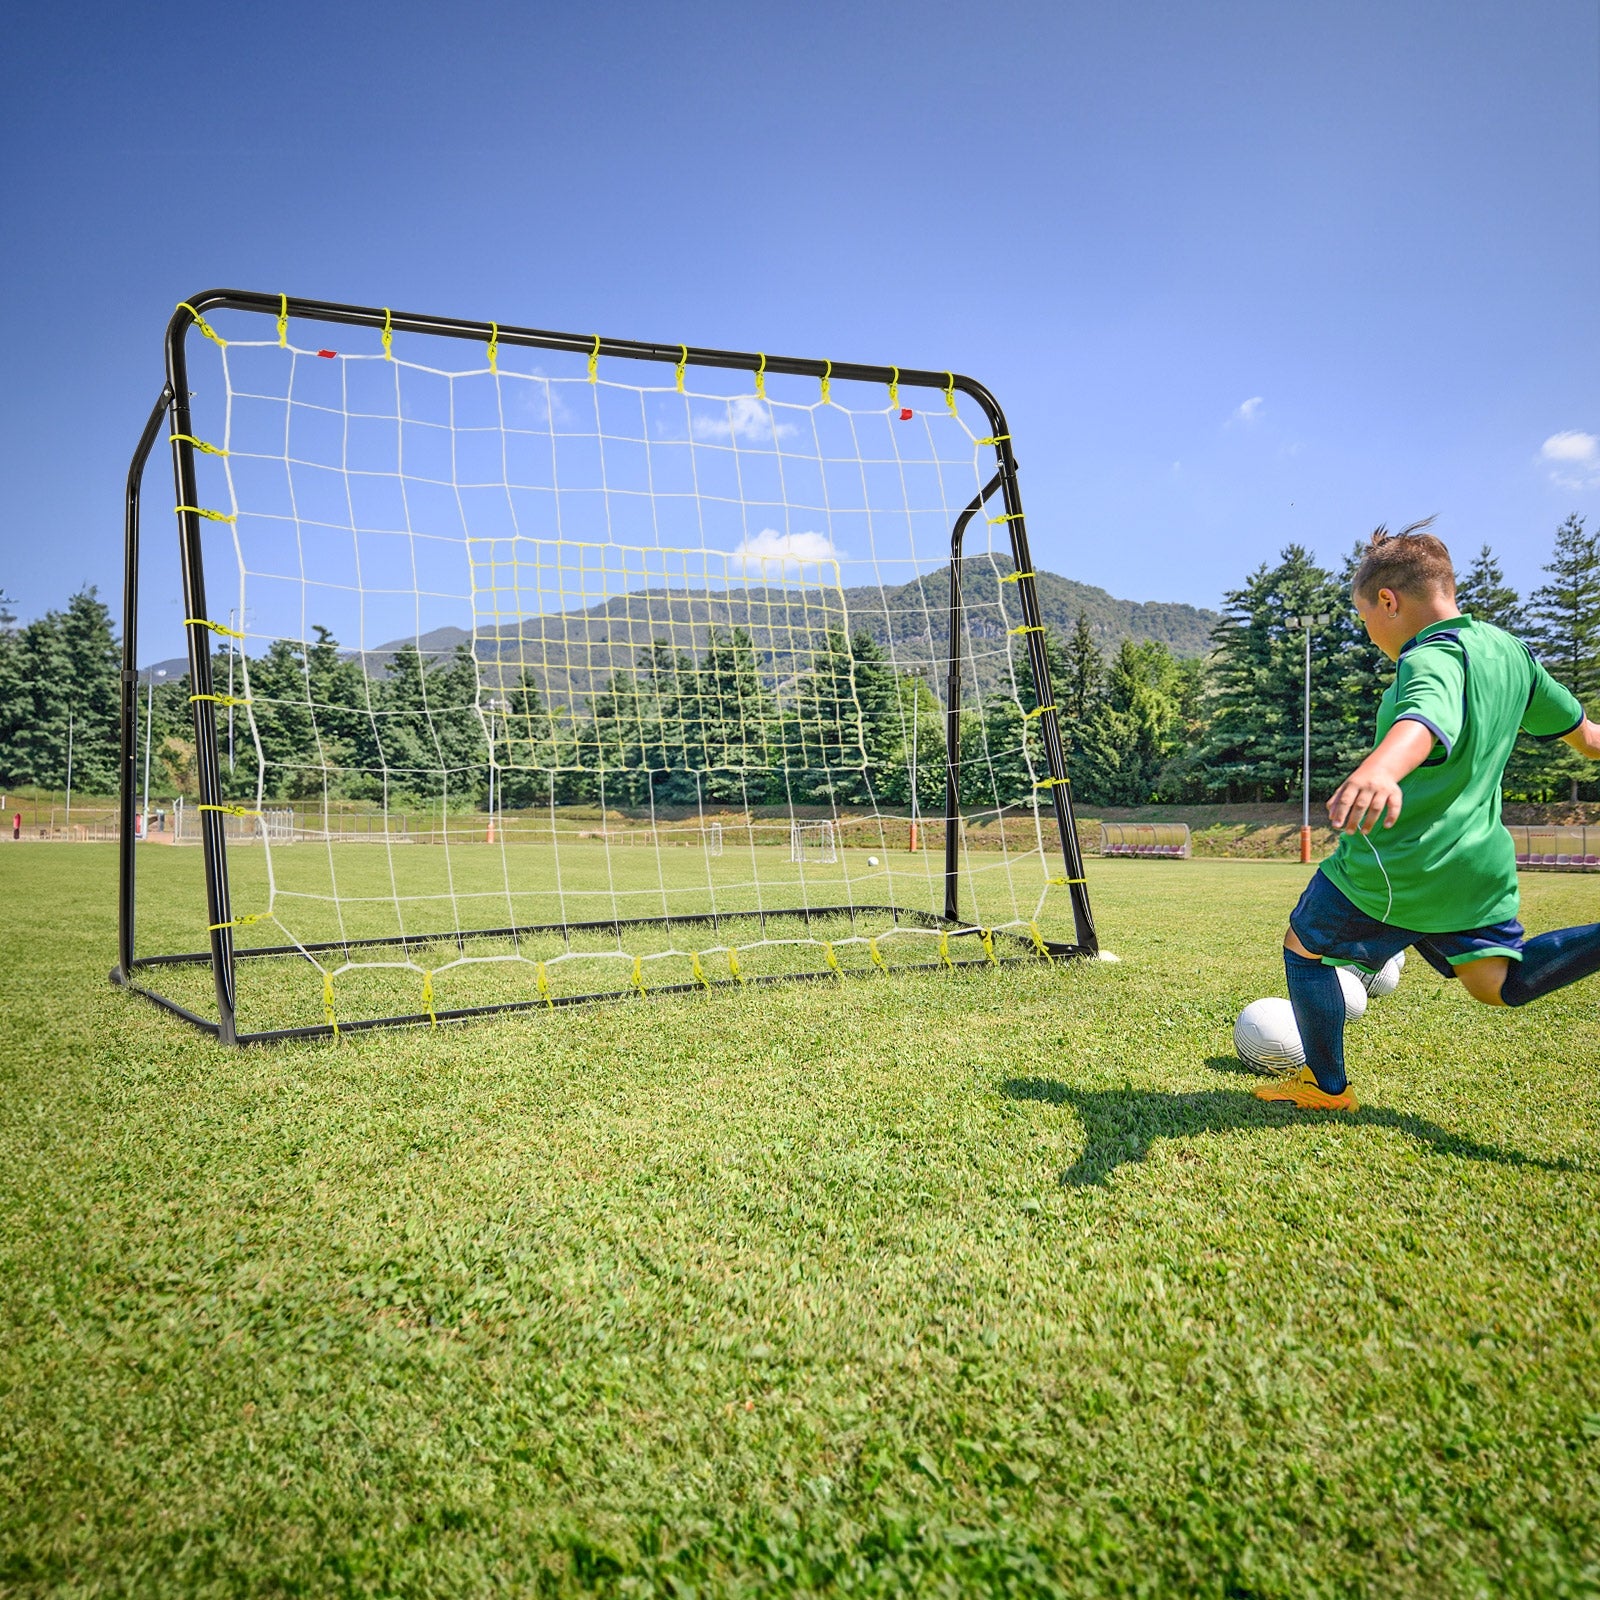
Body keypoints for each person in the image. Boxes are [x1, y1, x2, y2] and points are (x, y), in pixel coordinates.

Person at [1258, 522, 1600, 1111]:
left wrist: (1380, 769)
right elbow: (1589, 738)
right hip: (1476, 870)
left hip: (1398, 866)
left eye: (1364, 616)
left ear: (1388, 601)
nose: (1369, 632)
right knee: (1497, 984)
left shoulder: (1431, 655)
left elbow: (1424, 716)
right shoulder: (1511, 653)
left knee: (1304, 947)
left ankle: (1326, 1086)